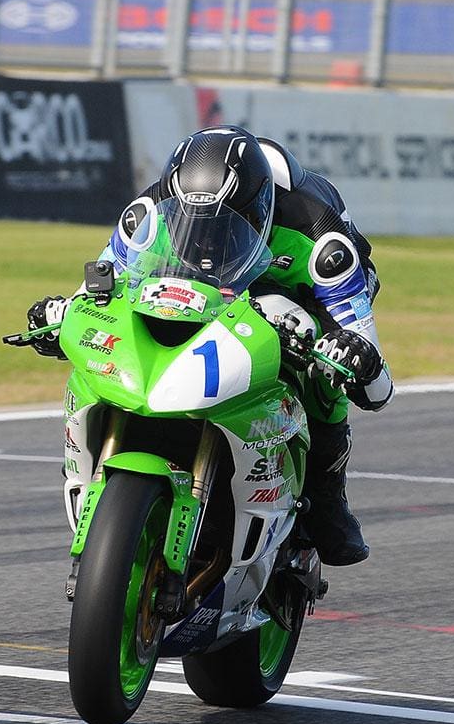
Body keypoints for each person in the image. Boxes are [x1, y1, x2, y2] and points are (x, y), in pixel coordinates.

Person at [25, 126, 393, 566]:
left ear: (257, 211)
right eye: (193, 222)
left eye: (224, 225)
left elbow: (377, 387)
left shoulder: (318, 238)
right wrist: (63, 314)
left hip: (300, 293)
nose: (208, 237)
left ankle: (328, 499)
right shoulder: (147, 215)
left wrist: (354, 354)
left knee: (327, 372)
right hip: (201, 290)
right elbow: (101, 290)